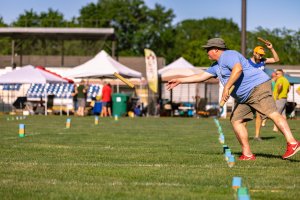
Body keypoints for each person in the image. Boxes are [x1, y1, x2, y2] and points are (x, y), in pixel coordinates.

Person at [167, 38, 300, 160]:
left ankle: (292, 143)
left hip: (257, 87)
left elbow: (238, 69)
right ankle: (247, 153)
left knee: (272, 113)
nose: (206, 52)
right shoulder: (216, 66)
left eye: (208, 49)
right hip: (245, 96)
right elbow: (200, 76)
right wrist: (180, 80)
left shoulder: (228, 55)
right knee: (236, 120)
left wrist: (227, 87)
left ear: (216, 49)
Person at [247, 42, 279, 141]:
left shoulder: (263, 61)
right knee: (245, 116)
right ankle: (244, 136)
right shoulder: (247, 62)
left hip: (260, 90)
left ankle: (257, 136)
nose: (260, 56)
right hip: (248, 90)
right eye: (259, 54)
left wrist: (271, 48)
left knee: (259, 115)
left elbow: (276, 59)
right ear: (254, 53)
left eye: (262, 55)